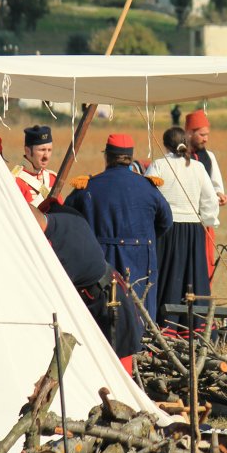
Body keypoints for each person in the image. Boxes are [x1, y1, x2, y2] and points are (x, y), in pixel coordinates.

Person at [65, 133, 173, 325]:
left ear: (107, 156)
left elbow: (68, 220)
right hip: (139, 263)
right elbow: (166, 222)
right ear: (130, 158)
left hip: (100, 261)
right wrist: (144, 238)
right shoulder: (148, 187)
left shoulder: (88, 187)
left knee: (100, 318)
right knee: (138, 317)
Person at [29, 201, 142, 375]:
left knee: (118, 371)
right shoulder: (61, 214)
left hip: (109, 303)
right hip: (101, 292)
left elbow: (51, 295)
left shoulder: (60, 250)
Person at [146, 127, 220, 335]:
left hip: (166, 230)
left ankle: (166, 327)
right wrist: (208, 220)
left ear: (165, 144)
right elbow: (210, 199)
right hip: (193, 231)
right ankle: (194, 329)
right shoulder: (197, 167)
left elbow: (148, 196)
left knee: (168, 276)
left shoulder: (158, 165)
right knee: (193, 278)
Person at [185, 109, 227, 280]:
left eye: (207, 135)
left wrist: (219, 194)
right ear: (189, 133)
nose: (206, 139)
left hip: (205, 221)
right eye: (202, 135)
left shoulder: (209, 156)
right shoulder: (178, 156)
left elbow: (216, 184)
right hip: (185, 220)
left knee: (205, 263)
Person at [12, 124, 61, 207]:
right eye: (42, 150)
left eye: (49, 150)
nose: (46, 156)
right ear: (27, 151)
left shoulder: (53, 178)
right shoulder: (15, 181)